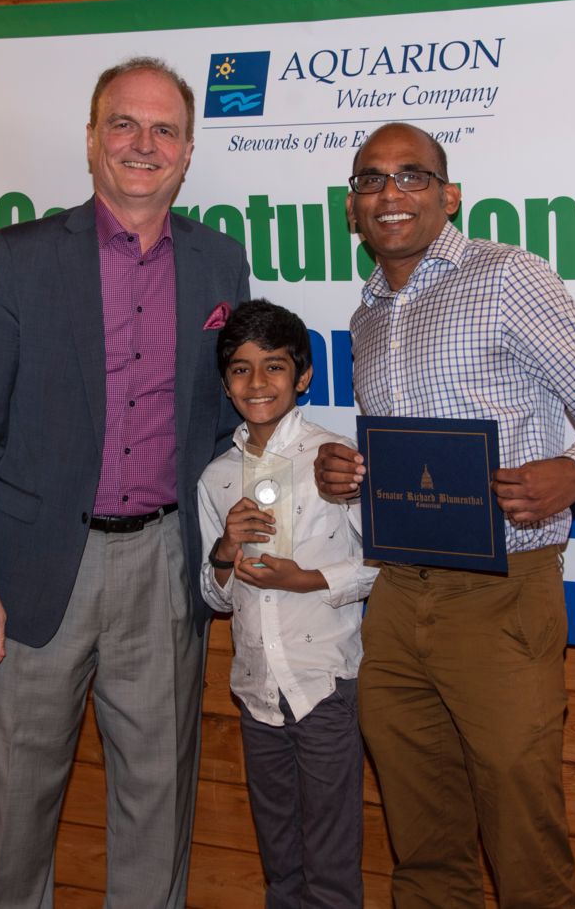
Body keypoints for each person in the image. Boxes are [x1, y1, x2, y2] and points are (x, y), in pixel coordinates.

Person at [0, 57, 251, 908]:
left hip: (165, 567)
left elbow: (224, 425)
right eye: (124, 124)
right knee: (15, 813)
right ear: (90, 140)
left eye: (164, 130)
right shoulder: (19, 258)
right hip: (37, 574)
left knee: (158, 807)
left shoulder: (221, 263)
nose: (143, 144)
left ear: (188, 152)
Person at [315, 123, 575, 908]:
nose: (390, 193)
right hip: (397, 597)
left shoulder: (505, 277)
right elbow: (414, 461)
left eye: (411, 175)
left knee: (523, 839)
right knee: (423, 841)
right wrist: (351, 474)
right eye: (370, 180)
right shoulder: (367, 316)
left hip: (502, 594)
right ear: (354, 207)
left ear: (449, 195)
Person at [196, 299, 377, 909]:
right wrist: (226, 549)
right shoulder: (217, 477)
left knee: (330, 867)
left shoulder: (336, 458)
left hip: (323, 685)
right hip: (255, 691)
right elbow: (215, 594)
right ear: (226, 382)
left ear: (302, 377)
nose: (257, 383)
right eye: (240, 369)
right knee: (280, 865)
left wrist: (309, 580)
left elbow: (382, 563)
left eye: (273, 366)